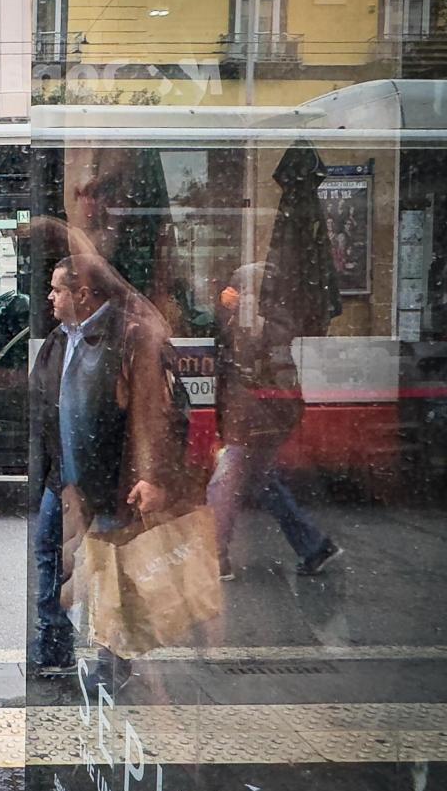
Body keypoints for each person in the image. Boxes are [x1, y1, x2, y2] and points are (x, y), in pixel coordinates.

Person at [29, 254, 190, 678]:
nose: (49, 296)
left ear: (81, 294)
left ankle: (112, 662)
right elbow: (46, 405)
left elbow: (167, 415)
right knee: (50, 558)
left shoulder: (130, 337)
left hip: (111, 480)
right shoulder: (60, 339)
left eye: (57, 289)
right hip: (63, 478)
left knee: (109, 573)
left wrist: (154, 477)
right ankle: (53, 645)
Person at [207, 263, 343, 580]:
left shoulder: (270, 326)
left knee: (222, 487)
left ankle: (216, 558)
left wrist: (250, 422)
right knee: (265, 485)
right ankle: (314, 547)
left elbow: (271, 378)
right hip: (248, 419)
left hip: (257, 422)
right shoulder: (245, 323)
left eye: (237, 288)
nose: (230, 294)